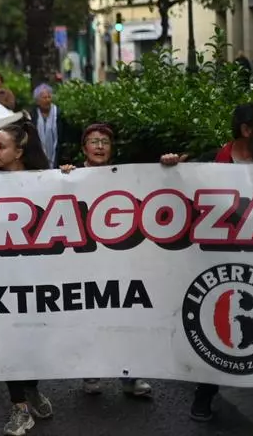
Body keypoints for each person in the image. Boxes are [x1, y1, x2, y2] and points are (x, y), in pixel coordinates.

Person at [158, 102, 253, 422]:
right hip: (218, 266)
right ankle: (205, 393)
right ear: (247, 129)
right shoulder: (209, 162)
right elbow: (173, 193)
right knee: (218, 331)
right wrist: (169, 166)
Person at [61, 124, 153, 398]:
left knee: (125, 316)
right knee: (89, 316)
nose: (100, 146)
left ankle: (131, 376)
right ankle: (91, 372)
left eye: (105, 142)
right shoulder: (70, 177)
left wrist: (168, 166)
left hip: (119, 260)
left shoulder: (126, 178)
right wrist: (62, 178)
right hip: (85, 262)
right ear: (83, 148)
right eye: (94, 142)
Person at [0, 122, 54, 435]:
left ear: (20, 152)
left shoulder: (43, 182)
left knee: (31, 339)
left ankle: (31, 388)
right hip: (0, 277)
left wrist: (71, 175)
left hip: (34, 276)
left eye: (1, 146)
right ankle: (20, 407)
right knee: (8, 340)